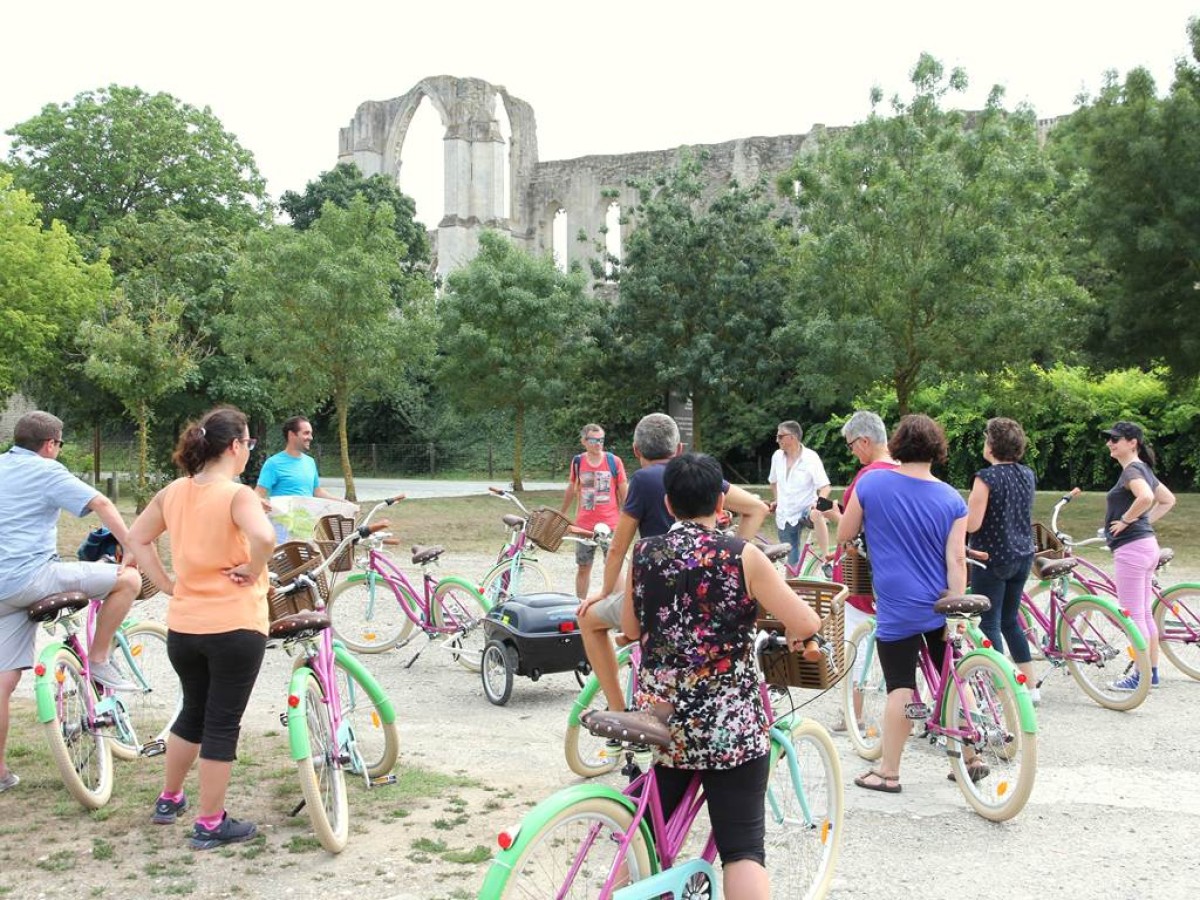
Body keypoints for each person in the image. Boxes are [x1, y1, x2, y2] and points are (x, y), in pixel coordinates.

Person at [621, 453, 822, 900]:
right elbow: (806, 621)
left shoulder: (645, 552)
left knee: (645, 835)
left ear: (668, 504)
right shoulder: (741, 555)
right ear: (720, 503)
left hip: (662, 718)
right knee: (743, 848)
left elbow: (631, 629)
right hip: (726, 722)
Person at [127, 406, 275, 849]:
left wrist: (167, 583)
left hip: (185, 627)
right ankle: (210, 822)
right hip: (235, 625)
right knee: (222, 722)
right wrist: (254, 568)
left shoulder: (174, 491)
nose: (249, 451)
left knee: (192, 711)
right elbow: (265, 538)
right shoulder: (237, 494)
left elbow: (137, 538)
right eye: (248, 443)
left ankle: (170, 798)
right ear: (234, 446)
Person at [578, 413, 770, 713]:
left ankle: (617, 710)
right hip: (706, 593)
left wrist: (602, 592)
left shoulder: (643, 480)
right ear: (679, 449)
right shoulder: (697, 475)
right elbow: (757, 508)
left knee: (588, 619)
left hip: (658, 595)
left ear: (636, 450)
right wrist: (732, 555)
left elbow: (617, 548)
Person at [0, 411, 143, 793]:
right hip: (33, 578)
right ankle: (98, 658)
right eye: (60, 444)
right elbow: (102, 503)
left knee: (3, 680)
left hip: (2, 591)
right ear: (50, 444)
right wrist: (131, 546)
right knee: (128, 580)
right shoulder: (46, 470)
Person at [836, 414, 968, 793]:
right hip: (941, 603)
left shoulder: (871, 483)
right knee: (953, 675)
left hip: (898, 603)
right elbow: (957, 559)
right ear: (937, 449)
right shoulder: (952, 498)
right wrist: (956, 605)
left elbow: (845, 533)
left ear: (896, 444)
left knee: (901, 686)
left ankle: (889, 771)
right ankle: (972, 755)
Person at [825, 410, 898, 732]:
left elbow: (850, 531)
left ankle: (853, 715)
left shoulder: (867, 477)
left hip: (862, 574)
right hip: (897, 574)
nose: (852, 451)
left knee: (854, 643)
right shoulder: (906, 471)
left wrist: (833, 517)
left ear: (865, 441)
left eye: (852, 445)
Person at [966, 417, 1038, 703]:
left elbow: (972, 523)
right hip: (1022, 555)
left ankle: (1000, 689)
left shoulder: (986, 478)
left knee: (988, 623)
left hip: (991, 557)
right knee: (1010, 621)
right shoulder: (1026, 474)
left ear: (992, 445)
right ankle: (1030, 688)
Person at [1100, 421, 1176, 691]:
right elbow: (1167, 500)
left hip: (1132, 549)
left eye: (1115, 439)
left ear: (1133, 443)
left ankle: (1139, 676)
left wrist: (1127, 521)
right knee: (1143, 614)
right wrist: (1141, 522)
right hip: (1146, 545)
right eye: (1109, 439)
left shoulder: (1133, 470)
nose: (1109, 443)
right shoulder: (1142, 469)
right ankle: (1150, 673)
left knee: (1132, 617)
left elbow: (1145, 498)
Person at [559, 424, 628, 598]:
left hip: (610, 525)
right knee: (583, 567)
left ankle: (616, 606)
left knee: (613, 567)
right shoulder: (578, 462)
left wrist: (629, 518)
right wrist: (562, 513)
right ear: (583, 441)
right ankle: (580, 604)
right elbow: (571, 487)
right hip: (584, 526)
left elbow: (624, 491)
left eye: (601, 440)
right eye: (593, 440)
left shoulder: (614, 461)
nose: (598, 444)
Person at [767, 421, 832, 567]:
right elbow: (773, 482)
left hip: (806, 508)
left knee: (817, 513)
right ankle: (793, 581)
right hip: (785, 515)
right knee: (791, 566)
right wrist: (777, 500)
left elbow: (825, 487)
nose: (777, 440)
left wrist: (818, 507)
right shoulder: (776, 456)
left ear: (792, 437)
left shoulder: (811, 457)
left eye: (780, 436)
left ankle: (826, 559)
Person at [254, 416, 338, 500]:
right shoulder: (273, 463)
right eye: (306, 433)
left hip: (308, 509)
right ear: (291, 434)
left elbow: (317, 491)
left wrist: (341, 501)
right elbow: (258, 495)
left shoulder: (310, 462)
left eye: (311, 434)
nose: (311, 437)